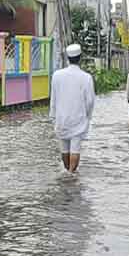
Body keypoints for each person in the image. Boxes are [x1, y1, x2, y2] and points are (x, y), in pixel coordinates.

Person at [50, 43, 96, 173]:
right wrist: (88, 115)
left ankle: (66, 172)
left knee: (64, 148)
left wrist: (53, 115)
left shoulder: (56, 75)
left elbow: (53, 97)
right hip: (78, 118)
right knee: (75, 148)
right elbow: (90, 101)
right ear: (80, 57)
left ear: (67, 58)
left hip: (61, 118)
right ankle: (71, 174)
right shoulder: (86, 78)